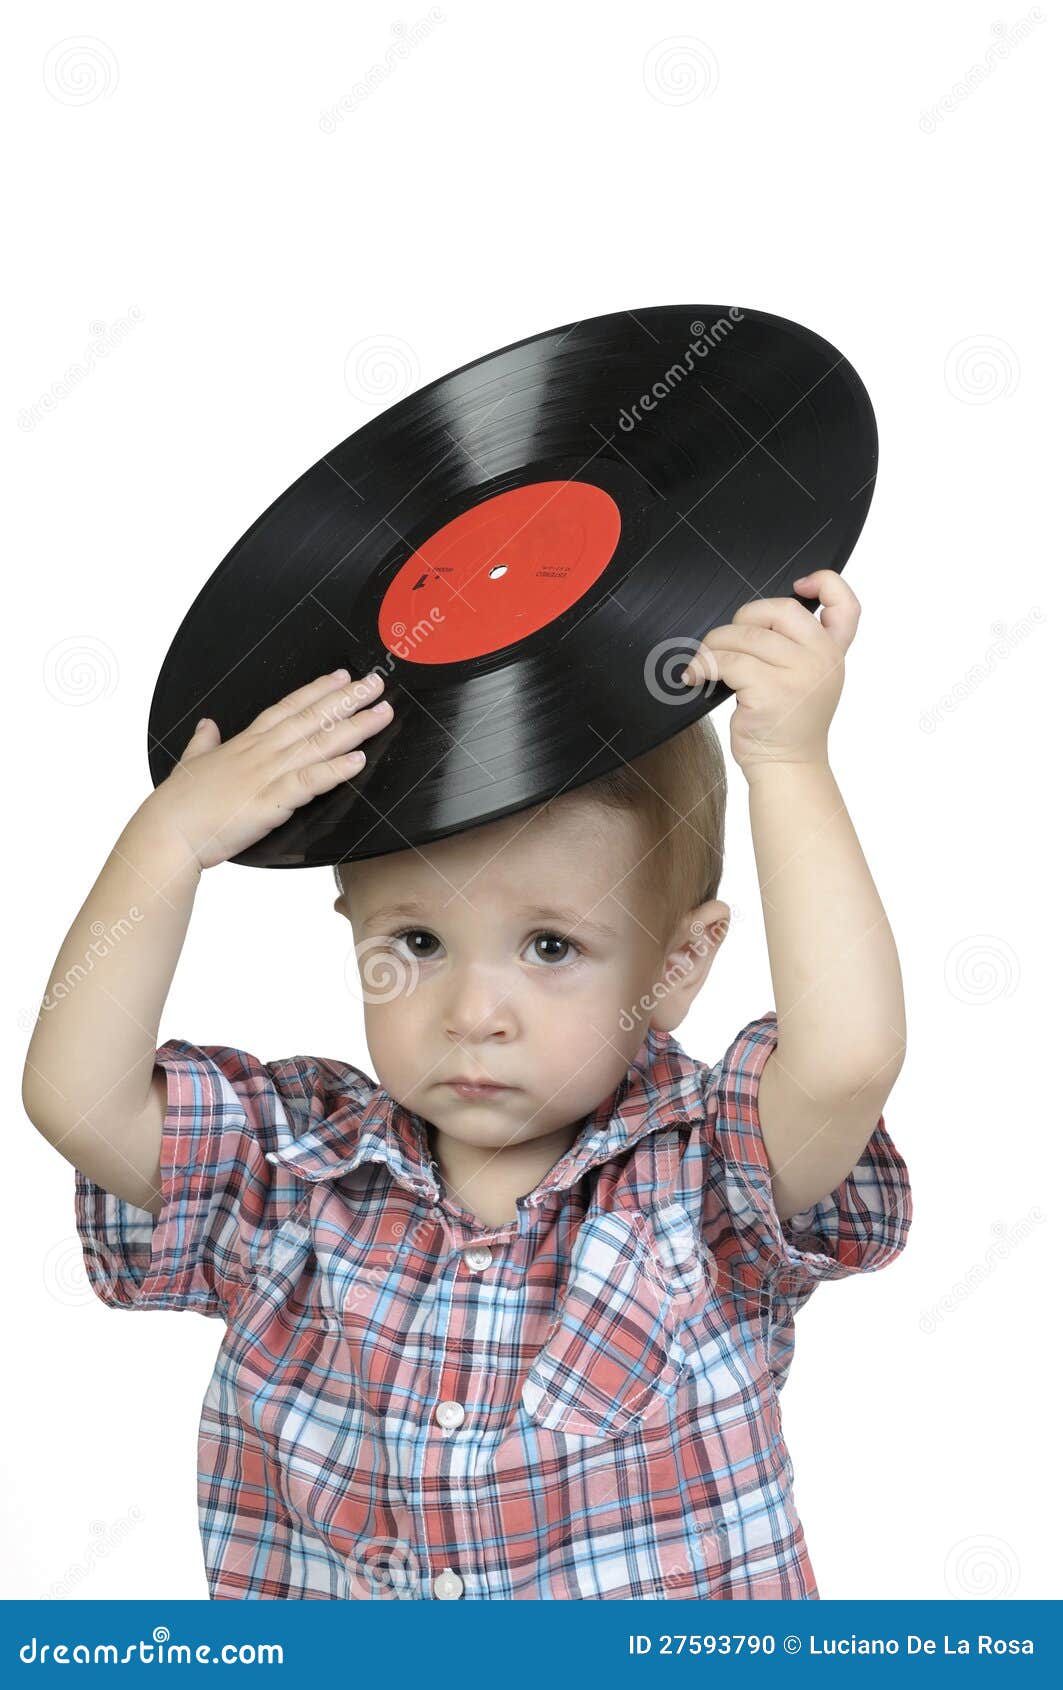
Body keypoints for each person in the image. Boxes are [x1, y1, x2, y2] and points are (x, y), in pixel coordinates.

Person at [22, 567, 910, 1600]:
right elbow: (77, 1096)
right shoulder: (293, 1175)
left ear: (675, 965)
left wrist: (789, 761)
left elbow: (847, 1054)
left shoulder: (705, 1175)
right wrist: (169, 842)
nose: (471, 1010)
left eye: (549, 944)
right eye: (418, 940)